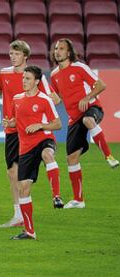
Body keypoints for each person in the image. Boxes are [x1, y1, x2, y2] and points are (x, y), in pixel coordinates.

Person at [0, 40, 64, 228]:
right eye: (11, 53)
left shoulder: (35, 76)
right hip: (13, 130)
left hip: (35, 131)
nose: (12, 57)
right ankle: (18, 214)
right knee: (11, 172)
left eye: (16, 54)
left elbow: (53, 100)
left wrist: (43, 110)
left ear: (25, 56)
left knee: (45, 156)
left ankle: (55, 195)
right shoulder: (4, 73)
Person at [51, 38, 119, 209]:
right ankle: (78, 200)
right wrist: (51, 98)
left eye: (61, 48)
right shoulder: (54, 75)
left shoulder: (79, 67)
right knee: (71, 158)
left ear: (68, 52)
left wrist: (87, 97)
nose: (57, 51)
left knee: (88, 120)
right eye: (56, 48)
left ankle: (109, 156)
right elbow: (58, 98)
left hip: (92, 108)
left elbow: (101, 85)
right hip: (74, 118)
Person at [2, 66, 62, 240]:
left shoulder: (44, 99)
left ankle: (56, 196)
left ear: (37, 81)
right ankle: (30, 232)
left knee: (47, 155)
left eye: (28, 78)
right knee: (24, 189)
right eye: (23, 78)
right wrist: (10, 123)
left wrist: (41, 125)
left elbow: (57, 124)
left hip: (44, 139)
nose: (24, 81)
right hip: (25, 147)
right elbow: (15, 121)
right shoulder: (17, 99)